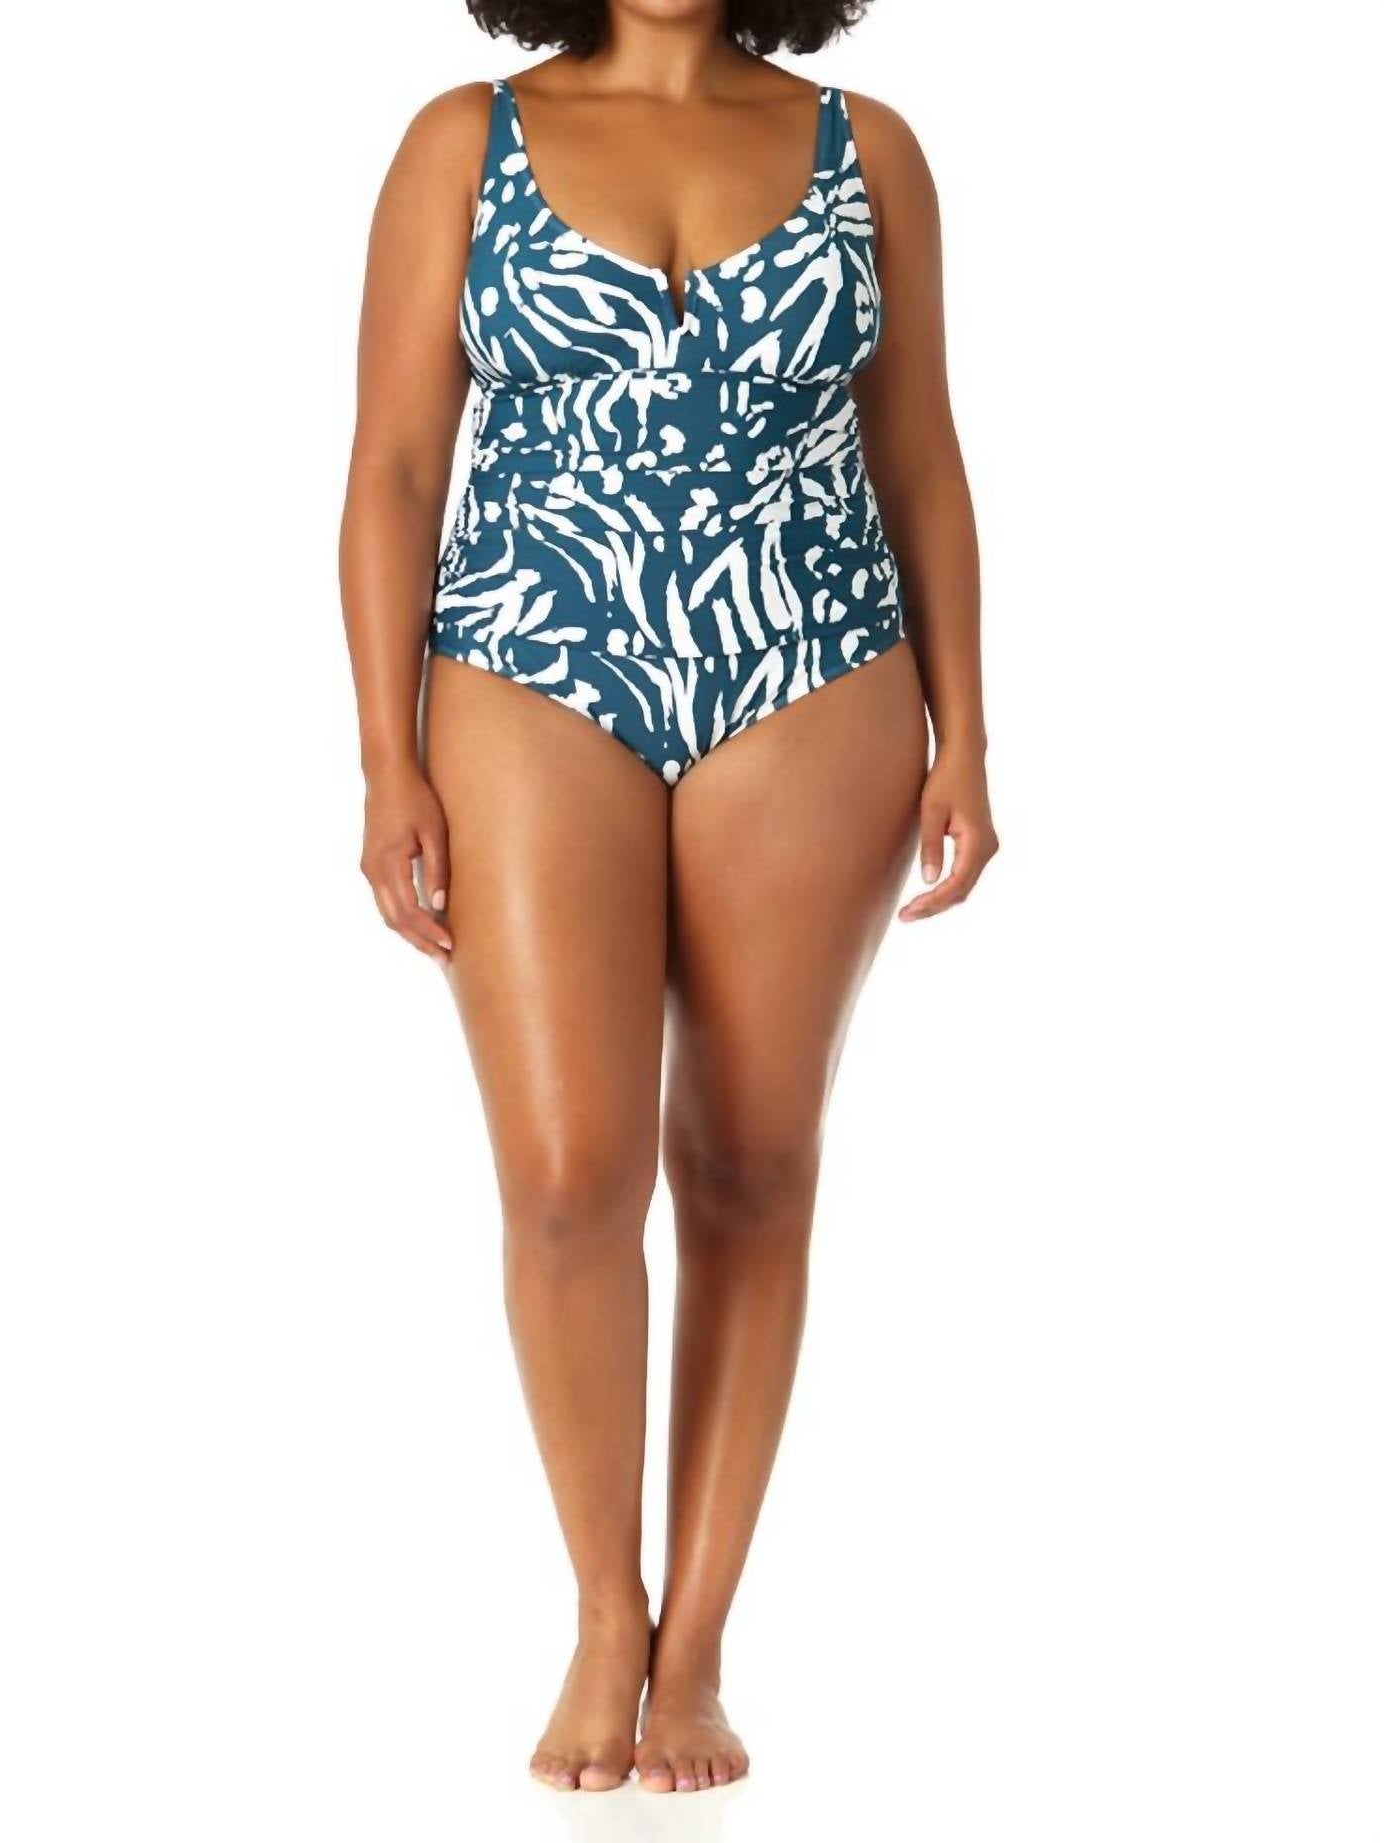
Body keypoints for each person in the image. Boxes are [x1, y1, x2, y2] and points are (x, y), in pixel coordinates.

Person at [337, 0, 997, 1796]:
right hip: (528, 664)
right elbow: (394, 463)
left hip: (815, 668)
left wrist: (968, 732)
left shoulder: (870, 152)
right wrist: (386, 755)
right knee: (568, 1178)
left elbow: (920, 455)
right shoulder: (462, 141)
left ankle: (696, 1646)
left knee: (755, 1165)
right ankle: (602, 1607)